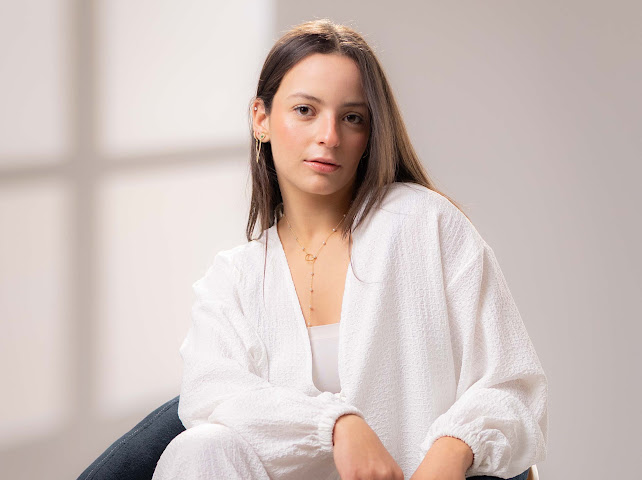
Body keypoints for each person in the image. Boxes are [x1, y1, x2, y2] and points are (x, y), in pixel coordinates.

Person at [151, 19, 547, 480]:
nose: (330, 136)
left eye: (352, 117)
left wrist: (453, 450)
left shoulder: (423, 224)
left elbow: (512, 386)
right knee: (202, 447)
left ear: (370, 134)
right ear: (261, 119)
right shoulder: (234, 281)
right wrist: (336, 424)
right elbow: (211, 396)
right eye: (305, 110)